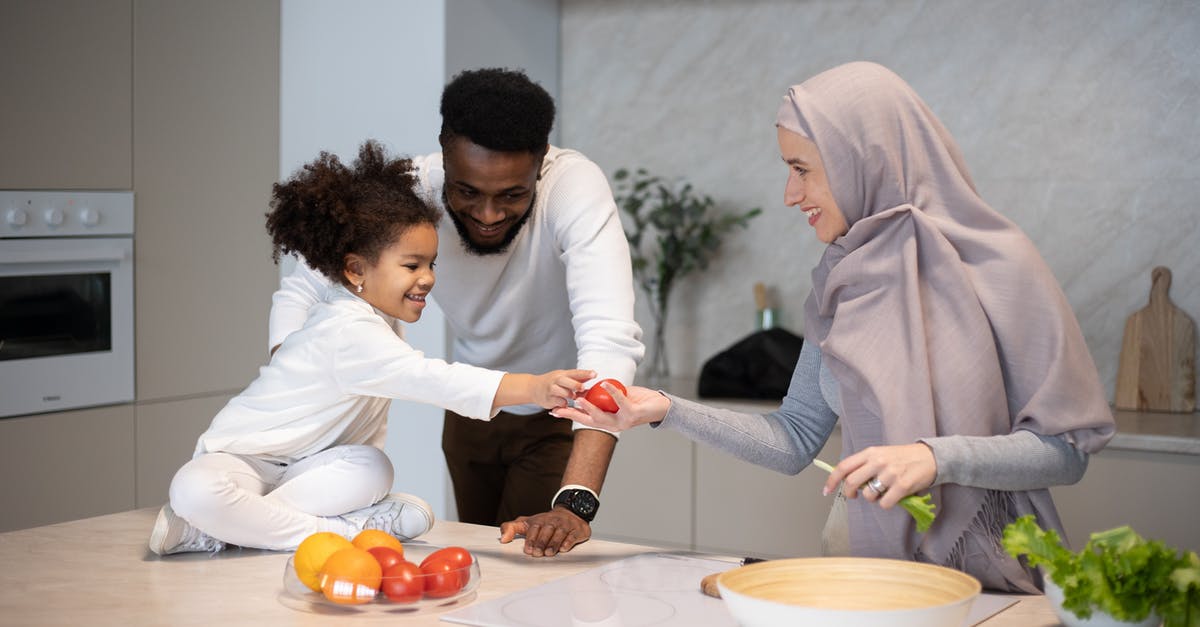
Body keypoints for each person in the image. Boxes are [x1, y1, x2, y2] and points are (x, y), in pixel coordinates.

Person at [556, 62, 1116, 592]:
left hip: (990, 577)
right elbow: (795, 438)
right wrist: (664, 408)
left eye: (802, 170)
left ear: (862, 161)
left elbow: (1066, 450)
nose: (789, 195)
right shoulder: (839, 280)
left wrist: (935, 457)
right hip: (864, 569)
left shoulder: (1000, 265)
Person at [149, 140, 593, 555]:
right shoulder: (347, 331)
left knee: (371, 468)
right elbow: (432, 379)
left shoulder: (372, 317)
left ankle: (218, 532)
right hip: (246, 462)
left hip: (309, 469)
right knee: (194, 488)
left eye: (431, 264)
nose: (428, 278)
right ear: (356, 269)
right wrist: (534, 387)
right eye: (412, 265)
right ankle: (346, 533)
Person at [269, 68, 644, 557]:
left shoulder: (573, 186)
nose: (488, 215)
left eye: (512, 194)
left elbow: (609, 337)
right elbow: (304, 283)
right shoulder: (410, 188)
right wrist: (287, 384)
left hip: (561, 411)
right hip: (471, 409)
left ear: (540, 163)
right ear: (443, 151)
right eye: (467, 192)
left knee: (526, 565)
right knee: (481, 559)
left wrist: (576, 502)